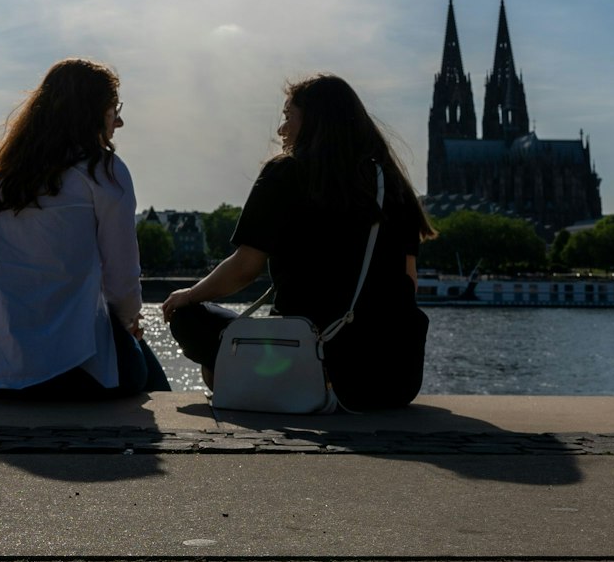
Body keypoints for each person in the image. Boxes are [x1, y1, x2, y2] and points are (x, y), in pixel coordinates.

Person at [161, 74, 436, 409]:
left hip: (310, 361)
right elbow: (408, 280)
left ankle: (274, 383)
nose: (281, 129)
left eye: (288, 116)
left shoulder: (286, 173)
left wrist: (188, 295)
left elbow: (245, 269)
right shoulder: (392, 184)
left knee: (189, 315)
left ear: (314, 122)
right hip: (393, 379)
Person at [0, 59, 169, 400]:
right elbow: (122, 279)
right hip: (76, 371)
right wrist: (129, 324)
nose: (119, 120)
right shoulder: (104, 172)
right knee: (155, 386)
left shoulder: (3, 180)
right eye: (113, 109)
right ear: (91, 113)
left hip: (2, 376)